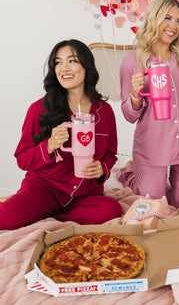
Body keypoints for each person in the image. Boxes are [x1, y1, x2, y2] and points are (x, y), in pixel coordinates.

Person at [0, 39, 122, 230]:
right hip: (44, 188)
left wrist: (102, 169)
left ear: (86, 65)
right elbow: (22, 159)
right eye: (58, 62)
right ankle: (40, 209)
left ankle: (47, 213)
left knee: (110, 210)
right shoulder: (39, 109)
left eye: (72, 61)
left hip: (84, 193)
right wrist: (49, 145)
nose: (64, 68)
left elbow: (110, 153)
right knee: (4, 218)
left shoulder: (104, 111)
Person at [119, 0, 179, 212]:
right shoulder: (131, 63)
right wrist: (136, 94)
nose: (173, 26)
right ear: (154, 19)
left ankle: (160, 181)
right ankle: (130, 175)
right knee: (154, 207)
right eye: (167, 18)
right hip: (151, 148)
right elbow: (129, 115)